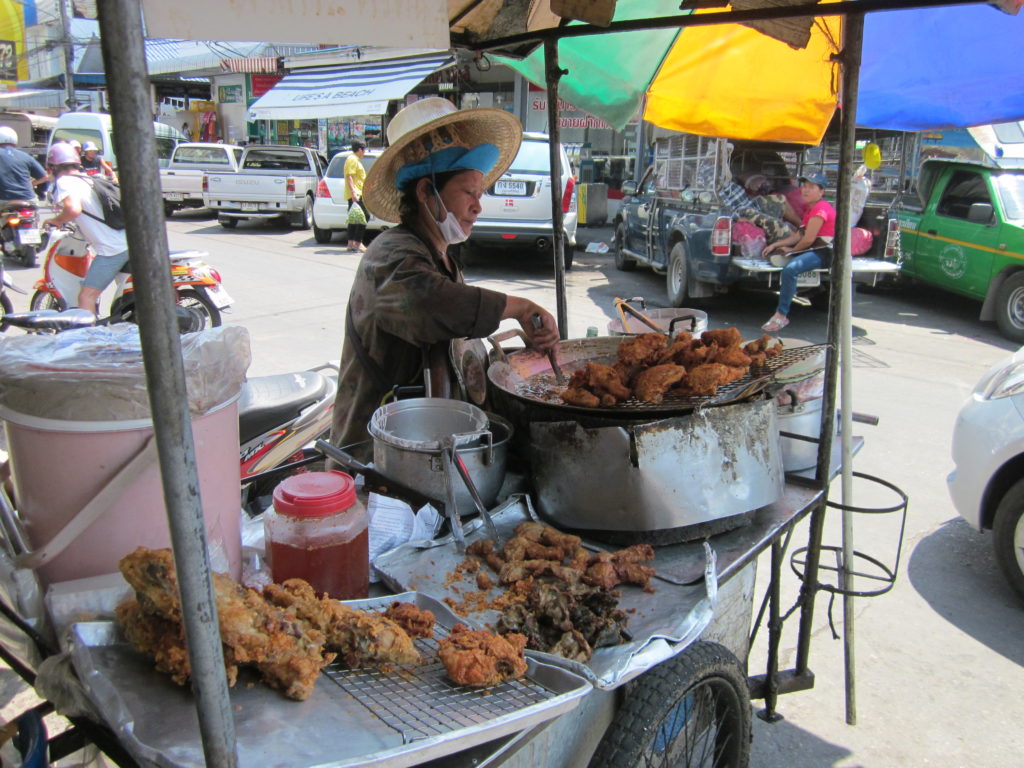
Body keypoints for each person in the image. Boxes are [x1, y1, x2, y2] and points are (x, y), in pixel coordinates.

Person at [330, 97, 559, 448]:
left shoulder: (439, 258)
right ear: (426, 191)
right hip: (374, 456)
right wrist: (520, 307)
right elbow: (431, 304)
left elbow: (458, 346)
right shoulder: (390, 253)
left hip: (424, 441)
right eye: (468, 192)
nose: (477, 206)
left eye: (480, 194)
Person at [41, 142, 128, 314]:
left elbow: (73, 209)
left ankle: (88, 337)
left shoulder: (65, 181)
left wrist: (57, 220)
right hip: (126, 241)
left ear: (54, 167)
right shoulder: (88, 179)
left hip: (113, 249)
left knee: (86, 296)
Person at [760, 172, 836, 333]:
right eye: (804, 186)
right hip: (813, 250)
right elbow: (798, 235)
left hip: (824, 252)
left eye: (811, 187)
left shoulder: (820, 209)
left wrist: (792, 251)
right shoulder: (811, 208)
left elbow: (808, 240)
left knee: (791, 270)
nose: (805, 190)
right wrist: (777, 244)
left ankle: (781, 315)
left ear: (821, 191)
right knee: (778, 256)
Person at [0, 126, 48, 203]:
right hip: (27, 198)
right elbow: (45, 177)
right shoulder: (25, 156)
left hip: (3, 199)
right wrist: (31, 184)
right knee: (34, 213)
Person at [343, 139, 368, 252]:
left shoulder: (355, 159)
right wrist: (353, 192)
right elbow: (349, 176)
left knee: (354, 218)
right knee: (364, 217)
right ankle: (358, 243)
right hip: (356, 194)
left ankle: (351, 243)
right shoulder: (352, 159)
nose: (364, 152)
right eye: (364, 150)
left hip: (357, 193)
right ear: (359, 149)